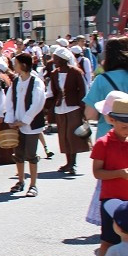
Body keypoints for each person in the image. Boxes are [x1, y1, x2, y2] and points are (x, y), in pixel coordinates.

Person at [92, 99, 128, 256]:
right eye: (124, 123)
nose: (127, 127)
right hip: (111, 200)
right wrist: (119, 174)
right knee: (108, 241)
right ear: (113, 120)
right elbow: (97, 172)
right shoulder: (103, 143)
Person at [4, 52, 47, 198]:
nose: (13, 66)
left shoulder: (36, 82)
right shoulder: (16, 81)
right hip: (17, 124)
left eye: (15, 63)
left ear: (23, 65)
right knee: (19, 154)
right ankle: (20, 181)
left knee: (31, 154)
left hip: (31, 124)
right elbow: (9, 101)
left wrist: (25, 120)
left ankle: (33, 185)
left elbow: (37, 103)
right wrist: (10, 119)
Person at [49, 47, 90, 176]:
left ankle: (73, 163)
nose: (54, 60)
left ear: (63, 59)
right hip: (60, 108)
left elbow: (84, 90)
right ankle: (68, 162)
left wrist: (83, 107)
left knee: (72, 136)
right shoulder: (55, 73)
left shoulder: (76, 72)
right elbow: (53, 92)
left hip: (74, 107)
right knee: (64, 136)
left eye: (56, 58)